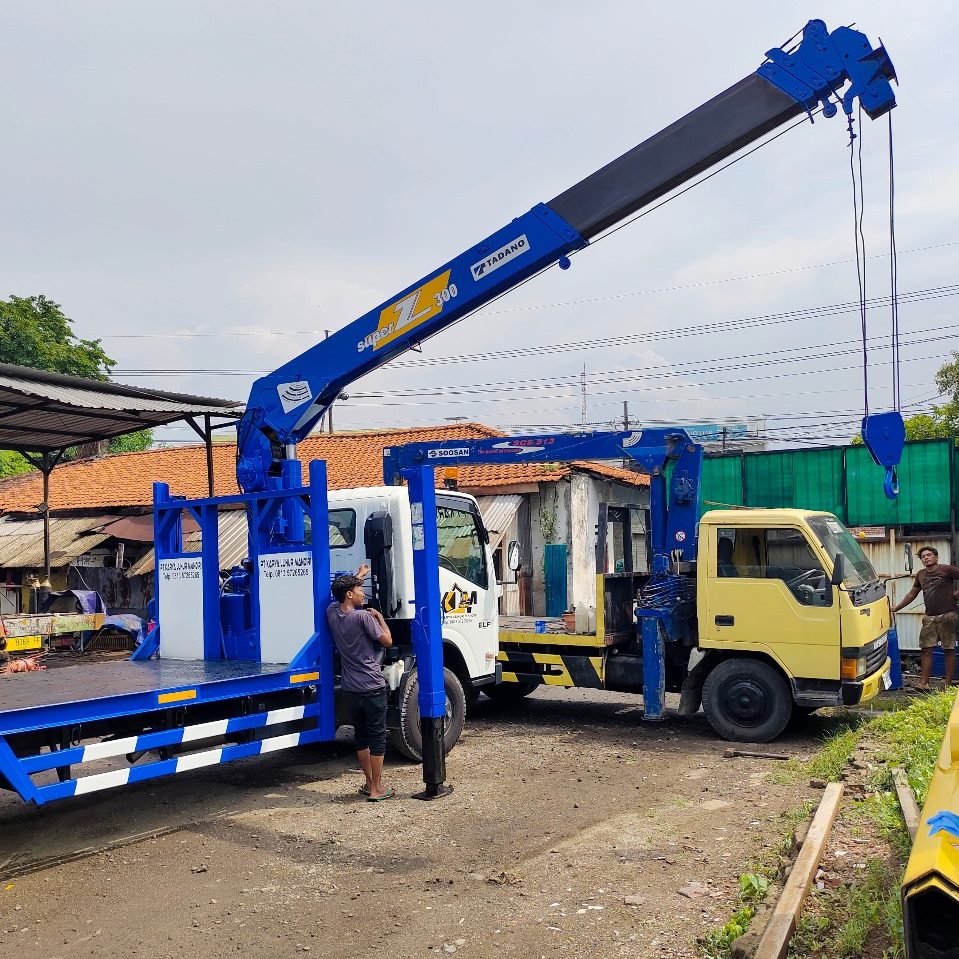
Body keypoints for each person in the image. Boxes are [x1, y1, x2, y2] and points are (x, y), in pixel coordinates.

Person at [327, 564, 395, 801]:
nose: (362, 593)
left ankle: (368, 783)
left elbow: (340, 593)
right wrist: (380, 618)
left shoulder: (332, 613)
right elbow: (387, 641)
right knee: (377, 737)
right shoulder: (364, 617)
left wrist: (358, 576)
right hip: (372, 686)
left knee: (361, 736)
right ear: (349, 594)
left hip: (351, 688)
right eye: (359, 590)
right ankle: (377, 789)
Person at [891, 546, 959, 690]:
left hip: (948, 615)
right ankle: (924, 683)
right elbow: (912, 594)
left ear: (936, 557)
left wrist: (956, 594)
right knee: (926, 649)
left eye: (929, 555)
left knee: (948, 649)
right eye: (923, 556)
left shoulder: (946, 569)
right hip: (929, 618)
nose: (926, 558)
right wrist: (896, 608)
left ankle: (948, 685)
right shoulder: (921, 575)